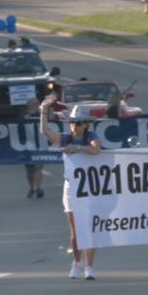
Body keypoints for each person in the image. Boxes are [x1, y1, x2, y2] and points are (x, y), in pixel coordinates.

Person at [40, 97, 101, 280]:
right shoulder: (65, 138)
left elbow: (95, 149)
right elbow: (45, 131)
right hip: (71, 187)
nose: (75, 126)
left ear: (85, 125)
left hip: (89, 187)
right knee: (75, 230)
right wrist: (44, 110)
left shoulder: (91, 137)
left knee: (88, 227)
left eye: (79, 123)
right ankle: (77, 262)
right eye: (73, 123)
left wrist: (78, 148)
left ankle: (90, 266)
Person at [20, 98, 45, 198]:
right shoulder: (23, 115)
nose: (36, 105)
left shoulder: (41, 114)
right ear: (29, 105)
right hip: (26, 145)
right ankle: (31, 188)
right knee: (30, 168)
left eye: (37, 103)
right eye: (34, 103)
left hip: (39, 145)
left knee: (38, 167)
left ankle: (38, 188)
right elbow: (18, 125)